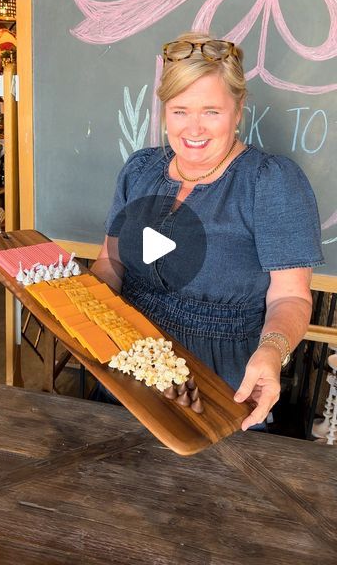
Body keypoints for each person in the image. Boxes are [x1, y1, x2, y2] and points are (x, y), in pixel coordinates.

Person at [91, 31, 324, 430]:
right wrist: (77, 309)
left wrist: (271, 351)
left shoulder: (270, 182)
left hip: (220, 381)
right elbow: (110, 262)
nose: (193, 128)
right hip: (125, 366)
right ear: (164, 110)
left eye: (211, 111)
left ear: (238, 110)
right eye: (180, 110)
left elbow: (291, 297)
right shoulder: (140, 169)